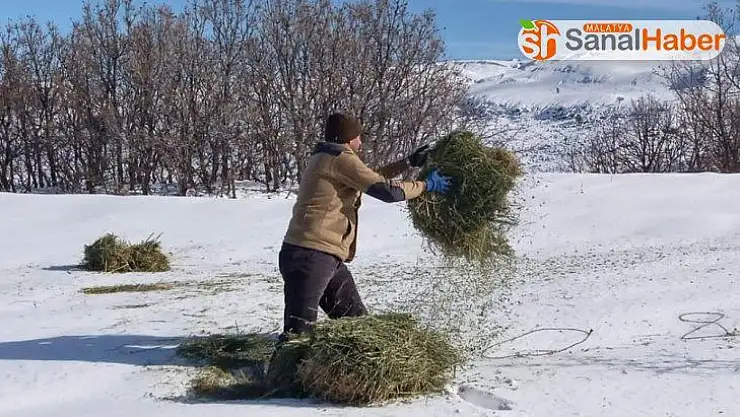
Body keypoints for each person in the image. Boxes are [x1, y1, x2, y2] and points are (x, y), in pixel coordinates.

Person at [277, 112, 451, 339]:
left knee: (357, 325)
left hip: (322, 256)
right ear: (349, 139)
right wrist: (426, 185)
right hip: (310, 256)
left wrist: (408, 162)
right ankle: (285, 363)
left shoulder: (328, 156)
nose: (361, 142)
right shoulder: (339, 158)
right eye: (358, 137)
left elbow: (368, 177)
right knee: (297, 335)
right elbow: (387, 191)